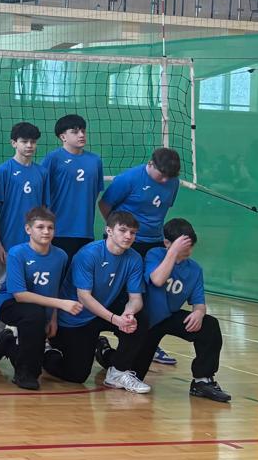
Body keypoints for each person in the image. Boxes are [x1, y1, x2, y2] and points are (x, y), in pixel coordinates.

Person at [114, 219, 230, 401]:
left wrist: (199, 312)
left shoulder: (194, 269)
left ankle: (203, 381)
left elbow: (199, 303)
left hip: (169, 317)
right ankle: (106, 354)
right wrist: (173, 252)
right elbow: (157, 280)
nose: (185, 254)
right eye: (181, 249)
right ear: (166, 243)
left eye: (189, 249)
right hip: (146, 322)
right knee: (134, 373)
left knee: (209, 325)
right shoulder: (155, 254)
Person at [100, 147, 181, 367]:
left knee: (151, 294)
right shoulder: (129, 179)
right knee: (118, 292)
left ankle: (148, 343)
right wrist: (118, 234)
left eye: (169, 177)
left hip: (153, 243)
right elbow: (104, 204)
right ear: (151, 164)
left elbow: (161, 209)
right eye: (161, 175)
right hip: (125, 242)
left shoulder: (172, 182)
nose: (165, 180)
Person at [43, 210, 143, 385]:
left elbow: (136, 298)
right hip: (76, 316)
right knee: (77, 375)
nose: (128, 236)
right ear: (109, 230)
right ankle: (45, 351)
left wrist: (129, 314)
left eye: (133, 232)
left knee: (140, 320)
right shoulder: (89, 254)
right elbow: (84, 297)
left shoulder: (134, 258)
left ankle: (117, 372)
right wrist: (115, 319)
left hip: (103, 311)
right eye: (123, 230)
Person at [0, 122, 48, 366]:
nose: (29, 146)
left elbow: (44, 211)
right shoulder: (3, 171)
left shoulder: (41, 173)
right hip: (8, 245)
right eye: (24, 141)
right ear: (14, 143)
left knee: (34, 292)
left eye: (33, 142)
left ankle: (31, 337)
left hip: (33, 248)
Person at [0, 206, 74, 391]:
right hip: (9, 303)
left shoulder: (60, 256)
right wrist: (61, 305)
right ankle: (26, 374)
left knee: (37, 323)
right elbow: (20, 295)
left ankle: (7, 343)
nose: (46, 232)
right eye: (40, 227)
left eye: (50, 228)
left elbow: (55, 289)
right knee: (34, 315)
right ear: (28, 229)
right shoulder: (17, 253)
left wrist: (53, 318)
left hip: (41, 308)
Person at [39, 114, 103, 258]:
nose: (81, 135)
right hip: (58, 230)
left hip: (86, 231)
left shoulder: (95, 160)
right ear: (63, 137)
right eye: (75, 132)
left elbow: (95, 192)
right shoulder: (53, 158)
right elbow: (41, 191)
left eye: (83, 131)